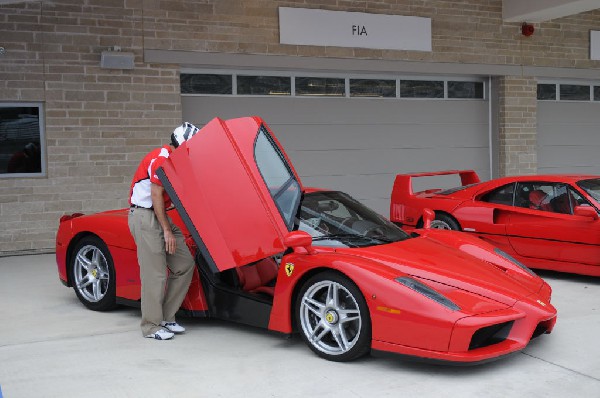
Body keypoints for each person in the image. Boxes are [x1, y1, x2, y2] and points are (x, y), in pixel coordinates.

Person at [128, 122, 200, 340]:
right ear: (182, 144)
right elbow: (157, 195)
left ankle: (167, 318)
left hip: (158, 215)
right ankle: (151, 326)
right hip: (144, 215)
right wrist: (167, 231)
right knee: (155, 275)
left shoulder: (177, 162)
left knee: (185, 264)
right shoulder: (163, 158)